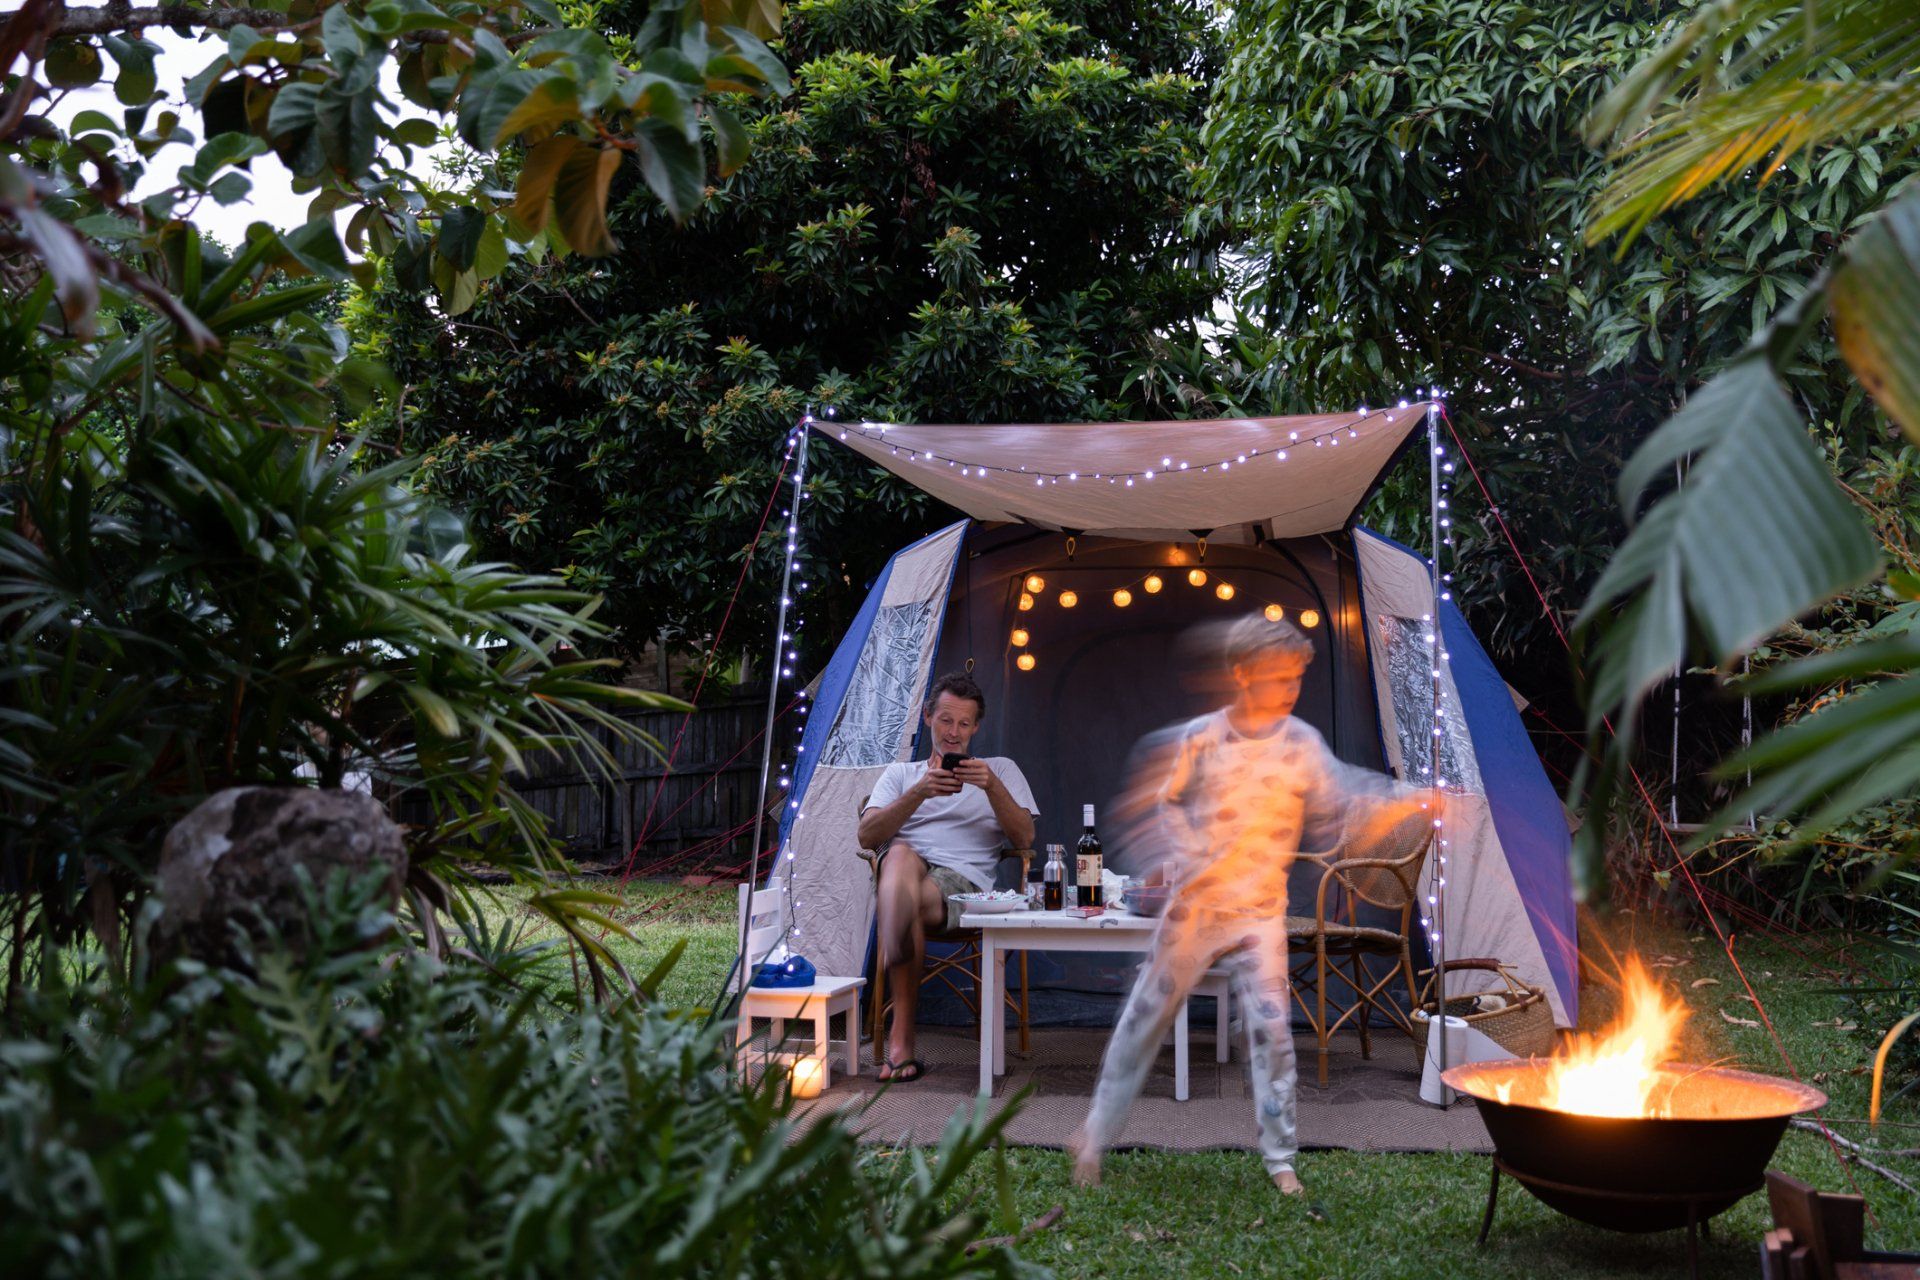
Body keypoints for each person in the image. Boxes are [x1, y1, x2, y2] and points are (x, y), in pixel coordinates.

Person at [1069, 613, 1437, 1195]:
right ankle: (1092, 1138)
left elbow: (1343, 797)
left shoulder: (1300, 743)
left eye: (1296, 677)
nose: (1291, 688)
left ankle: (1280, 1157)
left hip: (1260, 914)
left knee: (1271, 1033)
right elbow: (1165, 803)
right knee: (1143, 1020)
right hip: (1196, 911)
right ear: (1242, 674)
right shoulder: (1204, 738)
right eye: (1278, 677)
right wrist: (1180, 854)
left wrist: (1407, 800)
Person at [857, 672, 1038, 1082]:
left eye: (963, 723)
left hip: (961, 885)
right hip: (903, 873)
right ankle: (898, 916)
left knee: (901, 894)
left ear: (976, 728)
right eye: (945, 720)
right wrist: (919, 793)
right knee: (899, 853)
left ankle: (900, 1037)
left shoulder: (1000, 770)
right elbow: (867, 836)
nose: (953, 733)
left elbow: (1025, 838)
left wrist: (992, 787)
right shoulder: (902, 775)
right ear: (927, 717)